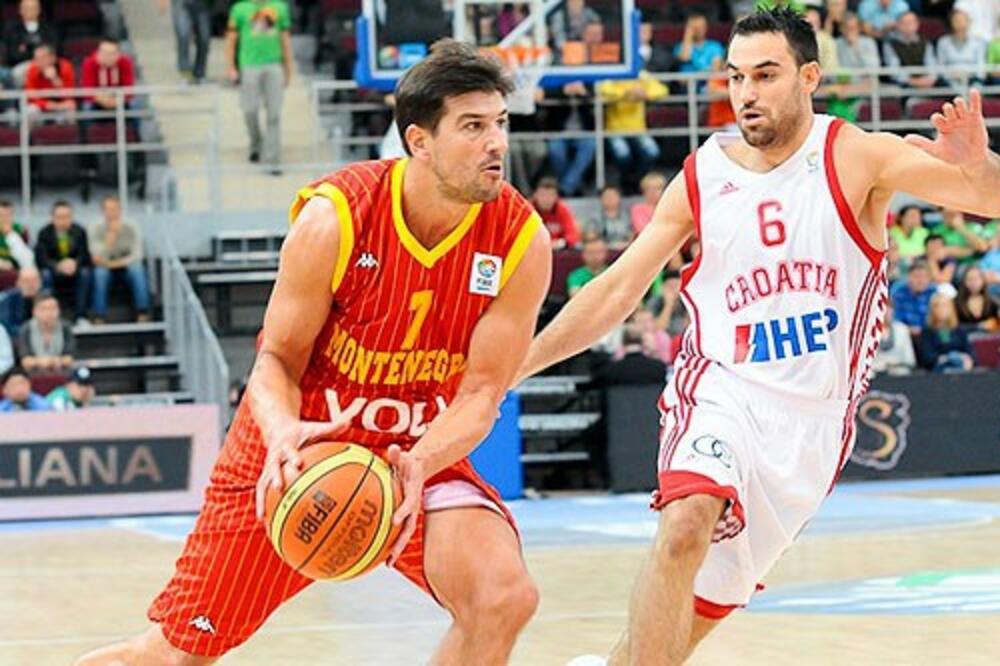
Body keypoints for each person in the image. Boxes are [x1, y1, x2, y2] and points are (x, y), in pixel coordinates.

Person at [515, 9, 1000, 664]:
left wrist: (980, 165)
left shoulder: (855, 154)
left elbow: (989, 199)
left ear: (809, 77)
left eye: (765, 75)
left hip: (812, 427)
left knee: (678, 631)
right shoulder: (703, 175)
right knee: (684, 525)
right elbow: (618, 288)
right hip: (722, 389)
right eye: (737, 76)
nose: (746, 92)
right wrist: (516, 366)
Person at [74, 39, 550, 666]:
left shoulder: (520, 241)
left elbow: (483, 392)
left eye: (500, 124)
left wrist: (421, 460)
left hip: (412, 453)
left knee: (503, 599)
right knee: (175, 656)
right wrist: (281, 433)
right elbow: (274, 361)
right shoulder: (337, 219)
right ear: (419, 141)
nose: (496, 144)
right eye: (473, 126)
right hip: (296, 450)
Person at [226, 0, 294, 173]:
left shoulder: (279, 7)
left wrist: (288, 67)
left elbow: (285, 38)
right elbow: (232, 39)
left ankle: (272, 160)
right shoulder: (239, 9)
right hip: (249, 64)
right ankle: (256, 143)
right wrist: (231, 66)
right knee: (249, 110)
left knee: (274, 113)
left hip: (274, 65)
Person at [597, 73, 668, 193]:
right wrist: (626, 93)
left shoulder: (640, 76)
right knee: (622, 153)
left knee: (652, 152)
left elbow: (662, 89)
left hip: (638, 129)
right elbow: (603, 89)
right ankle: (626, 181)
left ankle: (636, 181)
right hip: (615, 129)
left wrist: (646, 94)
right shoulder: (614, 75)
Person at [88, 195, 152, 323]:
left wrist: (116, 263)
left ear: (120, 210)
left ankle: (143, 312)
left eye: (115, 209)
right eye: (109, 209)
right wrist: (108, 243)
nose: (112, 213)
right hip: (105, 267)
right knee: (99, 274)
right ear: (103, 211)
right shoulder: (94, 227)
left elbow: (137, 254)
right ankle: (99, 316)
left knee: (137, 270)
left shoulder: (132, 225)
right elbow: (96, 257)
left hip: (126, 265)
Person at [35, 201, 91, 322]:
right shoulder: (44, 233)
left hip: (74, 270)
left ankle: (81, 316)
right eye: (60, 217)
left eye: (67, 216)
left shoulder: (80, 231)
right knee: (45, 275)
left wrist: (75, 263)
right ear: (52, 217)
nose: (63, 220)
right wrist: (58, 266)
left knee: (85, 273)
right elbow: (41, 258)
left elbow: (85, 255)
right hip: (53, 270)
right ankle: (50, 314)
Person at [1, 0, 58, 87]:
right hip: (18, 66)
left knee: (51, 72)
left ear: (39, 10)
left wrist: (27, 49)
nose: (30, 11)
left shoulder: (48, 29)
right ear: (20, 10)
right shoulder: (12, 30)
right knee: (16, 74)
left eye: (33, 8)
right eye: (26, 8)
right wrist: (37, 51)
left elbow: (53, 50)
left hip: (46, 64)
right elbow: (13, 54)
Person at [16, 290, 75, 373]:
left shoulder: (65, 327)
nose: (49, 313)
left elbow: (69, 359)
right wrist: (44, 362)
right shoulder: (26, 329)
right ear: (34, 311)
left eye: (53, 308)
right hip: (33, 375)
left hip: (61, 373)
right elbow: (26, 361)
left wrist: (52, 361)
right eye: (44, 309)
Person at [159, 0, 213, 83]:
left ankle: (200, 72)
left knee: (204, 38)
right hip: (181, 3)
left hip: (203, 4)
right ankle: (185, 72)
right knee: (183, 34)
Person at [882, 12, 940, 89]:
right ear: (897, 25)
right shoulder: (890, 44)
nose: (908, 26)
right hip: (903, 84)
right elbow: (894, 70)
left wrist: (930, 79)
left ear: (917, 24)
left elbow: (931, 64)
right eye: (904, 23)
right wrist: (912, 81)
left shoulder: (925, 42)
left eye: (911, 23)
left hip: (927, 82)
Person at [919, 293, 975, 371]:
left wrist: (967, 360)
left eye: (945, 306)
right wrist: (947, 358)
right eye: (937, 306)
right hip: (939, 369)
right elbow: (927, 357)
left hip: (961, 367)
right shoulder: (927, 331)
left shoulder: (959, 330)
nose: (941, 309)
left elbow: (970, 353)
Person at [80, 38, 137, 114]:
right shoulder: (89, 63)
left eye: (111, 54)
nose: (107, 57)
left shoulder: (125, 62)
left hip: (119, 98)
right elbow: (88, 89)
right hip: (98, 99)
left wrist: (116, 101)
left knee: (135, 103)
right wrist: (104, 100)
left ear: (118, 54)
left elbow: (128, 87)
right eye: (104, 53)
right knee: (86, 105)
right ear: (98, 52)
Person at [24, 43, 77, 120]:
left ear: (53, 58)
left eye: (43, 58)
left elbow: (69, 95)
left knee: (71, 108)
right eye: (36, 58)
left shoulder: (65, 67)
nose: (38, 61)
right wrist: (49, 105)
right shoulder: (33, 69)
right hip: (42, 105)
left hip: (61, 104)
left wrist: (55, 79)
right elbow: (31, 97)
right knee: (29, 111)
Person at [936, 8, 987, 88]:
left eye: (963, 20)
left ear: (969, 22)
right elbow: (941, 66)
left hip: (972, 79)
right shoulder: (943, 42)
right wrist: (951, 75)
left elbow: (981, 68)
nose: (959, 22)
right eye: (956, 20)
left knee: (976, 87)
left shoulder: (978, 42)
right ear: (951, 22)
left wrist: (969, 75)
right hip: (950, 80)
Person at [531, 177, 581, 249]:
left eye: (550, 196)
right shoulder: (528, 210)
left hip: (558, 250)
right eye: (542, 195)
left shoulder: (562, 210)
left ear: (556, 197)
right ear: (535, 195)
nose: (546, 199)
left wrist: (560, 243)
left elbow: (573, 234)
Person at [893, 260, 936, 335]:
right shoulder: (899, 292)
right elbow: (895, 318)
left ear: (930, 278)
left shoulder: (934, 293)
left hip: (929, 333)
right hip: (904, 333)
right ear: (909, 277)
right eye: (917, 276)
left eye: (924, 276)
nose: (921, 280)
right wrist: (908, 329)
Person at [873, 302, 917, 374]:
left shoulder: (902, 329)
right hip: (875, 372)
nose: (887, 313)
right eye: (884, 310)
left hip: (898, 373)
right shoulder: (868, 333)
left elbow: (910, 359)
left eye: (890, 310)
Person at [0, 266, 42, 337]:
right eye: (26, 281)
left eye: (34, 280)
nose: (31, 284)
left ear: (40, 282)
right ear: (18, 283)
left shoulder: (49, 299)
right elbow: (7, 327)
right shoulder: (7, 300)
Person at [954, 265, 999, 330]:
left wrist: (995, 322)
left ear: (983, 280)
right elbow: (954, 326)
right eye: (970, 279)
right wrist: (980, 326)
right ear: (964, 282)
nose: (974, 282)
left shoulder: (992, 301)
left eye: (977, 278)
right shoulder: (956, 302)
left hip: (989, 335)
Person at [0, 200, 34, 279]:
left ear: (12, 215)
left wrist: (10, 235)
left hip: (16, 269)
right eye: (1, 215)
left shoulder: (21, 231)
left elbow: (27, 261)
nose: (5, 219)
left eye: (8, 215)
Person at [630, 171, 667, 235]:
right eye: (649, 188)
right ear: (644, 191)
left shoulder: (668, 208)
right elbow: (642, 230)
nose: (653, 192)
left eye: (657, 188)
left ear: (663, 190)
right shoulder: (637, 209)